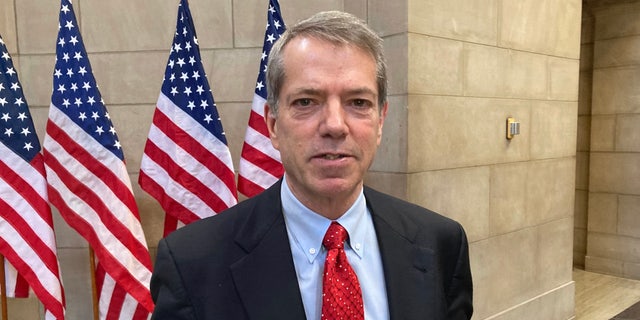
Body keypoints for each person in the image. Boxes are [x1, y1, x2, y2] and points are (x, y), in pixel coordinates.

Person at [150, 10, 473, 320]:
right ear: (273, 125)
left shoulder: (440, 243)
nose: (335, 125)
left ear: (380, 122)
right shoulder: (192, 262)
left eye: (358, 103)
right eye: (306, 102)